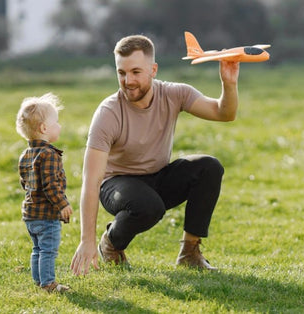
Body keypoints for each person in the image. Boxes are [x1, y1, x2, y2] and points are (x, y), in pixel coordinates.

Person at [70, 35, 240, 276]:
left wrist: (229, 84)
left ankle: (190, 253)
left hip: (157, 176)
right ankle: (109, 244)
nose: (128, 81)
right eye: (121, 73)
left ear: (153, 69)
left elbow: (224, 114)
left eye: (136, 72)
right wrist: (87, 240)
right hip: (116, 184)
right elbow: (91, 180)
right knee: (148, 206)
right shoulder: (108, 113)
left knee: (209, 167)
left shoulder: (174, 93)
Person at [16, 92, 73, 293]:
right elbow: (51, 185)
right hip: (46, 215)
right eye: (56, 122)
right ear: (44, 128)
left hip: (30, 214)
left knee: (37, 249)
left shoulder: (26, 154)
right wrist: (62, 204)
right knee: (48, 250)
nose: (60, 126)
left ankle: (39, 281)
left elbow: (25, 183)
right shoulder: (49, 154)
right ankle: (48, 283)